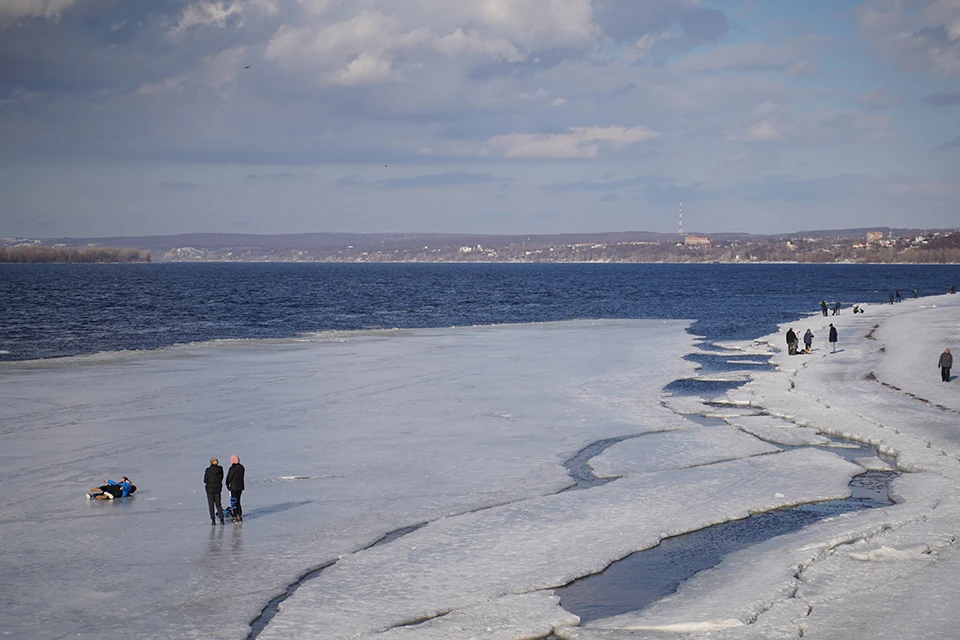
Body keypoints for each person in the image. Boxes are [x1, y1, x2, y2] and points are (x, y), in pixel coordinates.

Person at [204, 457, 225, 525]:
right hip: (217, 489)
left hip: (209, 489)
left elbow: (205, 480)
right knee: (218, 504)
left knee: (211, 505)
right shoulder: (220, 469)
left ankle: (213, 520)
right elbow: (221, 478)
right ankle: (221, 518)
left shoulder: (208, 470)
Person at [226, 454, 245, 523]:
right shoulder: (242, 467)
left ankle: (235, 516)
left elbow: (229, 478)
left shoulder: (232, 468)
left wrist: (227, 484)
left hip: (233, 487)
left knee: (234, 502)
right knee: (238, 501)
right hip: (240, 487)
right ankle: (240, 516)